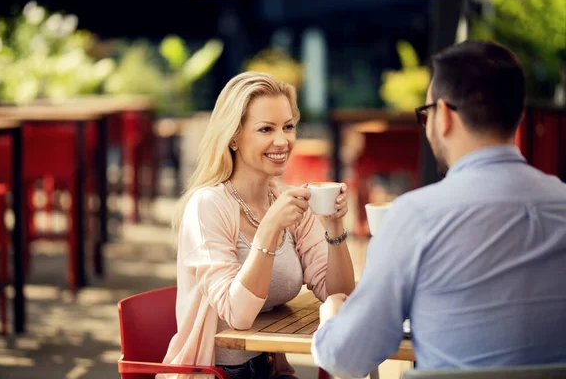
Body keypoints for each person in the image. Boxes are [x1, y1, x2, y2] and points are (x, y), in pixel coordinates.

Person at [312, 40, 566, 378]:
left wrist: (331, 317)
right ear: (518, 115)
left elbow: (345, 358)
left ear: (443, 115)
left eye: (426, 114)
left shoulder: (417, 216)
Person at [159, 72, 355, 379]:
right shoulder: (207, 206)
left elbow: (339, 294)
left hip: (269, 368)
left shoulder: (288, 201)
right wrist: (269, 229)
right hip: (215, 372)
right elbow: (238, 314)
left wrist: (334, 227)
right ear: (234, 136)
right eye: (266, 129)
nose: (283, 141)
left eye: (288, 127)